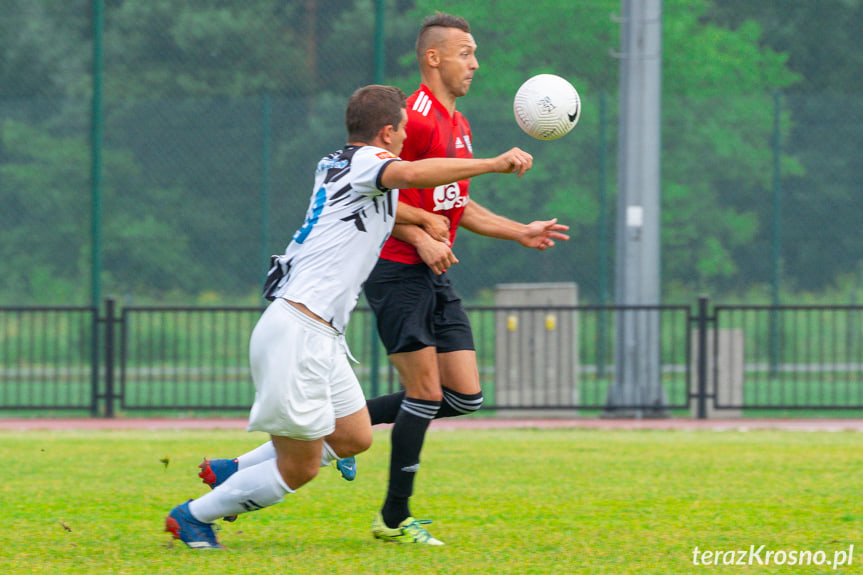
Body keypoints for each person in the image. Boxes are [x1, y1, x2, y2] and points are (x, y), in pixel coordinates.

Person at [164, 83, 534, 549]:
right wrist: (494, 164)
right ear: (386, 132)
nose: (406, 137)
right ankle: (194, 516)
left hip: (318, 333)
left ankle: (230, 471)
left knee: (355, 436)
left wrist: (423, 224)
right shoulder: (368, 162)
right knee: (297, 467)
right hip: (298, 331)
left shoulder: (338, 164)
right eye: (402, 130)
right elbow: (417, 176)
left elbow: (397, 202)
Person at [361, 12, 570, 546]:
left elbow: (457, 203)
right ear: (434, 57)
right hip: (397, 269)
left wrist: (519, 231)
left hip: (434, 273)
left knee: (463, 396)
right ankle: (393, 519)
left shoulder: (458, 123)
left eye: (474, 53)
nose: (475, 63)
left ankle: (338, 430)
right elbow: (378, 190)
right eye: (465, 52)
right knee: (425, 393)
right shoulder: (416, 117)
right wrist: (421, 236)